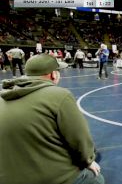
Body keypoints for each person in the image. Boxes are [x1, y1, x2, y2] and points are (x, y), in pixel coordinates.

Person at [0, 54, 104, 184]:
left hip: (7, 176)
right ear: (53, 75)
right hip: (48, 177)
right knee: (96, 178)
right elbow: (78, 138)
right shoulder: (59, 95)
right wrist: (89, 160)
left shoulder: (3, 97)